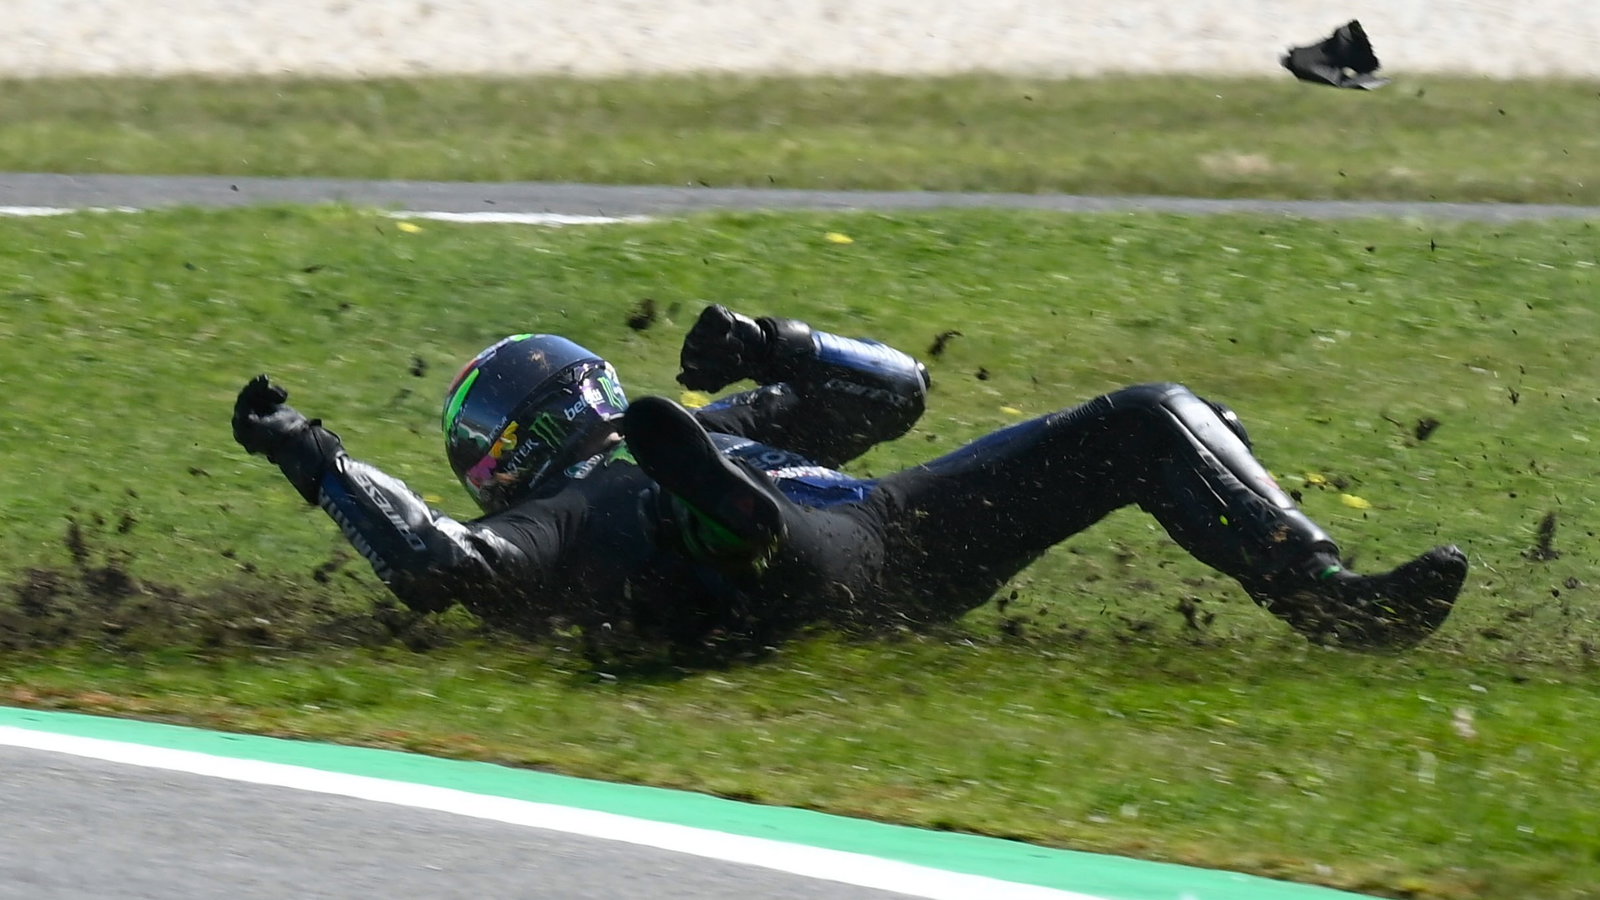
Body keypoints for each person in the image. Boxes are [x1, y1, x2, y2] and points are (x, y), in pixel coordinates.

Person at [232, 304, 1468, 657]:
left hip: (892, 534)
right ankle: (723, 525)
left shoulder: (698, 425)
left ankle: (1327, 596)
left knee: (1149, 419)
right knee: (688, 494)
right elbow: (432, 569)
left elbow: (900, 399)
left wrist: (782, 344)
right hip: (764, 584)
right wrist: (315, 455)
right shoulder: (568, 515)